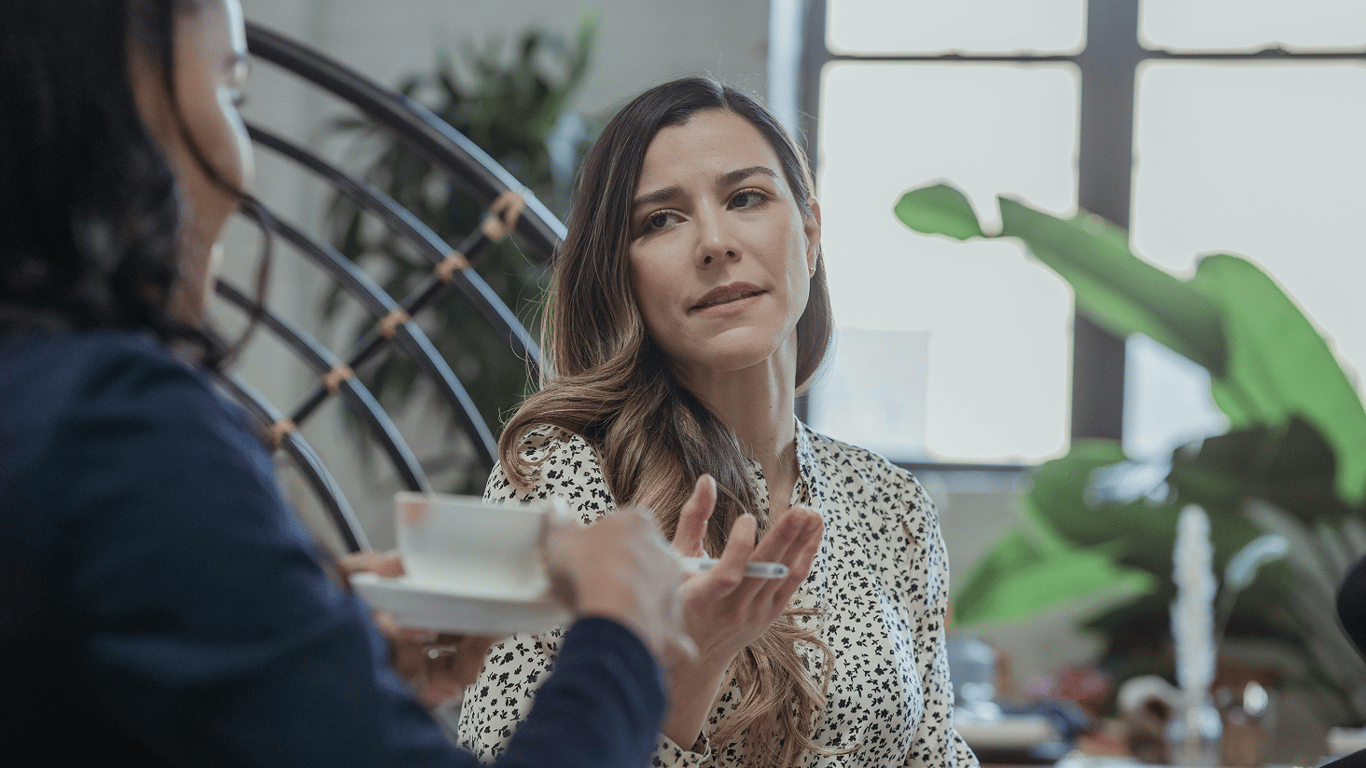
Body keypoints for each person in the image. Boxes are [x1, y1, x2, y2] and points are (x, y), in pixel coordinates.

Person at [0, 1, 691, 765]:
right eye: (233, 95)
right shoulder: (117, 431)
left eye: (750, 198)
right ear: (114, 99)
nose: (717, 247)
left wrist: (294, 653)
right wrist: (623, 636)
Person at [457, 77, 977, 768]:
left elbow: (936, 755)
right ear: (622, 274)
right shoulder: (563, 478)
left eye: (746, 198)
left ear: (811, 231)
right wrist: (684, 679)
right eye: (660, 220)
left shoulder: (891, 503)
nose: (714, 241)